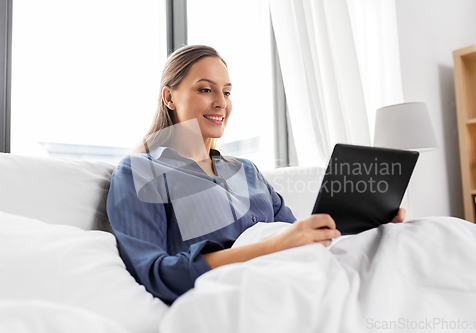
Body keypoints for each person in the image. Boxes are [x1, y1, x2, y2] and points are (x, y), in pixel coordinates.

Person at [106, 45, 406, 305]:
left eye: (227, 92)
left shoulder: (246, 171)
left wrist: (369, 223)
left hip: (303, 281)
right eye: (205, 89)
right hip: (245, 298)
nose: (221, 102)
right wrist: (273, 247)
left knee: (421, 236)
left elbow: (302, 239)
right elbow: (155, 273)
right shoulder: (139, 171)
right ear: (169, 97)